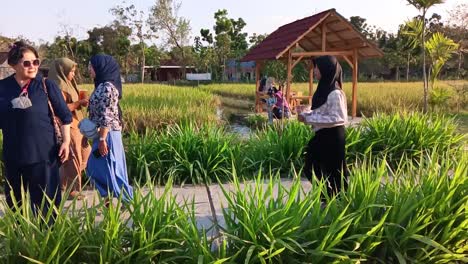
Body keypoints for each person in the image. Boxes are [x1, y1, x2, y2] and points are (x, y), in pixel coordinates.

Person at [0, 41, 72, 213]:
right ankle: (20, 237)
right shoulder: (3, 88)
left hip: (44, 155)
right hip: (14, 156)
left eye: (35, 62)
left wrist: (66, 142)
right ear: (13, 65)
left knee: (47, 204)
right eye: (27, 63)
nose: (32, 66)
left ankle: (48, 236)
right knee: (17, 205)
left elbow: (65, 116)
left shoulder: (46, 85)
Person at [298, 55, 348, 197]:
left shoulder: (335, 92)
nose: (314, 71)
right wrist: (306, 112)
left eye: (316, 68)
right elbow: (321, 110)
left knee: (334, 171)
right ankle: (326, 195)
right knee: (311, 166)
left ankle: (336, 199)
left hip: (333, 136)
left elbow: (338, 117)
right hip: (322, 135)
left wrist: (308, 118)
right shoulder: (323, 89)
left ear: (326, 69)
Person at [86, 54, 133, 205]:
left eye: (91, 66)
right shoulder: (101, 85)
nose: (89, 69)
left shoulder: (108, 87)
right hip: (102, 134)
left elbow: (107, 115)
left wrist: (102, 139)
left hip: (108, 135)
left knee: (112, 168)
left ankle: (128, 200)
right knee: (97, 167)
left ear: (101, 67)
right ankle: (107, 198)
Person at [48, 58, 91, 200]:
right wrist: (78, 103)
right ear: (62, 71)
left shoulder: (69, 84)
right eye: (71, 71)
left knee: (84, 154)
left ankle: (61, 186)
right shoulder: (57, 86)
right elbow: (60, 109)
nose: (73, 74)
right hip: (67, 125)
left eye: (73, 71)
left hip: (76, 123)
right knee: (74, 158)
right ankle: (73, 190)